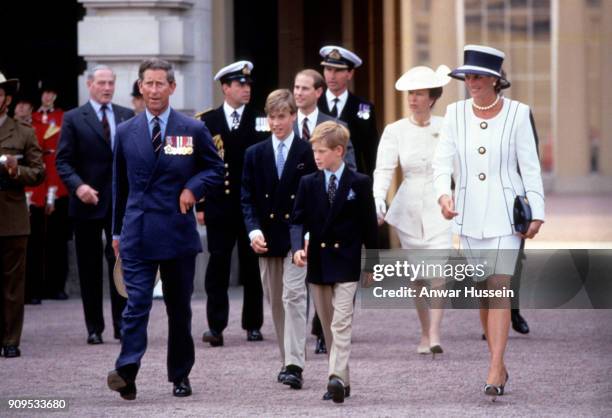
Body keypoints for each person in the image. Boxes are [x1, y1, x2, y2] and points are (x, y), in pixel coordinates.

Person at [107, 58, 224, 400]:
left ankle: (180, 375)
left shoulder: (192, 129)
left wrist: (193, 188)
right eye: (149, 83)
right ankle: (126, 371)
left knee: (179, 310)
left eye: (161, 84)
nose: (155, 90)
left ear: (173, 88)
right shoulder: (126, 131)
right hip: (137, 231)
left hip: (176, 231)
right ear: (140, 87)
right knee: (136, 304)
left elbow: (216, 169)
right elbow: (119, 186)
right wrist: (116, 233)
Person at [432, 45, 544, 398]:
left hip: (505, 216)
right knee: (483, 292)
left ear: (497, 79)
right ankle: (497, 359)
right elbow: (441, 163)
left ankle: (496, 366)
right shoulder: (454, 113)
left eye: (479, 76)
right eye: (467, 76)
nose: (472, 82)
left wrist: (537, 210)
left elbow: (530, 166)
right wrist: (443, 194)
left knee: (498, 287)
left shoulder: (518, 113)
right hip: (466, 216)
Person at [291, 121, 377, 403]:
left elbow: (370, 228)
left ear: (339, 151)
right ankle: (344, 379)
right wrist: (296, 248)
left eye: (321, 151)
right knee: (328, 327)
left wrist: (373, 265)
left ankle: (334, 379)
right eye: (314, 150)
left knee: (341, 323)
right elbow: (297, 221)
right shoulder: (308, 182)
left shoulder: (360, 183)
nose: (315, 156)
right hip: (319, 263)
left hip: (348, 263)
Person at [373, 65, 452, 355]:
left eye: (419, 94)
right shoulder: (395, 130)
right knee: (418, 274)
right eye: (410, 94)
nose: (413, 99)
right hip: (408, 206)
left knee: (439, 269)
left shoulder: (447, 127)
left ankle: (435, 332)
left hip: (440, 202)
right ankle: (422, 331)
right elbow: (383, 170)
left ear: (431, 98)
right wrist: (378, 200)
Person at [241, 89, 317, 390]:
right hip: (267, 239)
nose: (276, 123)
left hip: (297, 239)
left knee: (294, 297)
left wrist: (309, 235)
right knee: (276, 303)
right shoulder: (254, 154)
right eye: (271, 117)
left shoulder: (307, 152)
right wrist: (253, 230)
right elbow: (246, 199)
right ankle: (287, 360)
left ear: (293, 117)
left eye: (282, 116)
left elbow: (314, 198)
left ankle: (294, 364)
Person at [56, 65, 134, 345]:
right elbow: (62, 161)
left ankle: (121, 324)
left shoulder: (126, 115)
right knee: (89, 267)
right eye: (101, 83)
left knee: (120, 265)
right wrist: (79, 186)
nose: (107, 88)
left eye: (111, 83)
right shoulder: (74, 118)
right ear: (89, 84)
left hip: (119, 205)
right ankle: (94, 327)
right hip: (87, 203)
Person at [195, 60, 266, 346]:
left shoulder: (261, 119)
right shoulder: (206, 121)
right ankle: (216, 325)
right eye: (240, 84)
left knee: (252, 267)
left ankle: (253, 324)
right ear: (225, 88)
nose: (246, 89)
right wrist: (200, 205)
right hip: (219, 205)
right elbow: (196, 165)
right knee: (218, 266)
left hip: (251, 206)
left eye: (248, 84)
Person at [293, 67, 357, 355]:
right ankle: (299, 339)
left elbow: (351, 169)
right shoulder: (284, 122)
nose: (298, 93)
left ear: (318, 92)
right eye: (296, 87)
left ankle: (322, 332)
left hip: (327, 212)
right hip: (295, 212)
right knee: (298, 283)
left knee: (326, 273)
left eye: (304, 88)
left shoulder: (335, 127)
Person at [0, 72, 45, 358]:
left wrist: (16, 171)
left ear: (6, 98)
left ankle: (10, 339)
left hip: (11, 216)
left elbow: (39, 172)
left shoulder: (23, 132)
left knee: (13, 286)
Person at [29, 83, 70, 301]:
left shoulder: (63, 116)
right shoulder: (32, 118)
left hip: (56, 175)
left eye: (51, 92)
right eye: (45, 92)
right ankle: (35, 288)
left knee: (57, 238)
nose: (48, 96)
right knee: (35, 239)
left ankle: (57, 285)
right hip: (37, 177)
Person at [317, 45, 379, 177]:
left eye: (338, 70)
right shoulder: (314, 104)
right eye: (328, 69)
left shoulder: (363, 107)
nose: (332, 76)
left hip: (353, 179)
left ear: (350, 73)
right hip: (318, 182)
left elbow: (371, 154)